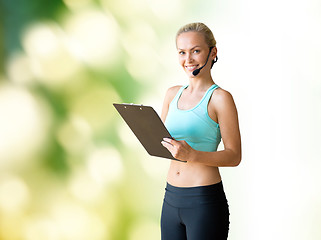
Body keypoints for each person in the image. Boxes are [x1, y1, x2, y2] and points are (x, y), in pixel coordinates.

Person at [160, 22, 242, 240]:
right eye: (182, 52)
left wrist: (192, 155)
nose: (188, 60)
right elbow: (161, 140)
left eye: (196, 51)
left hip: (203, 202)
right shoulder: (171, 94)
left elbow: (234, 156)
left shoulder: (220, 98)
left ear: (213, 53)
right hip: (170, 199)